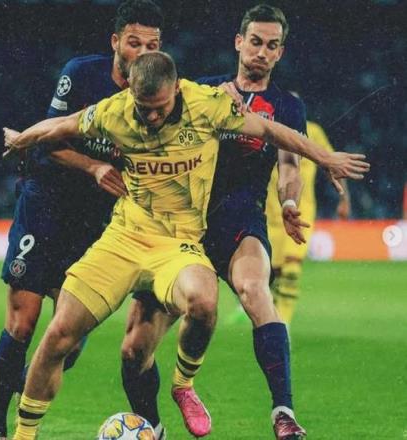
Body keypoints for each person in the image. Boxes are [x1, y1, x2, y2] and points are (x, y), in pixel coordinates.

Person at [3, 51, 369, 439]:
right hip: (123, 239)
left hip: (177, 244)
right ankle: (24, 434)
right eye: (144, 108)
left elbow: (270, 130)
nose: (152, 117)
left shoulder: (206, 104)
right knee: (60, 334)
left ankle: (183, 383)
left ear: (176, 89)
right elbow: (62, 125)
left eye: (160, 108)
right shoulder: (115, 111)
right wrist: (21, 138)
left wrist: (325, 158)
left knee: (204, 301)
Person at [118, 5, 334, 439]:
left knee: (256, 290)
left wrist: (290, 202)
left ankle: (284, 413)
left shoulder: (287, 106)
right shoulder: (202, 90)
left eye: (272, 45)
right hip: (183, 225)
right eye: (255, 42)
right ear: (239, 42)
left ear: (280, 52)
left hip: (240, 219)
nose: (262, 52)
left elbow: (289, 166)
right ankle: (153, 427)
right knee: (134, 348)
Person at [0, 2, 163, 438]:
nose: (142, 53)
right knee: (22, 323)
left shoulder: (159, 96)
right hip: (45, 205)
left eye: (152, 45)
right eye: (134, 43)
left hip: (96, 225)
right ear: (115, 42)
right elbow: (47, 142)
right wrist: (94, 167)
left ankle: (27, 383)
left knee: (69, 340)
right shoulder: (81, 74)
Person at [267, 117, 350, 325]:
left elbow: (332, 163)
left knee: (291, 269)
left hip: (301, 212)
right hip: (270, 213)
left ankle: (283, 323)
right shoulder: (268, 127)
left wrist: (344, 198)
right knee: (274, 273)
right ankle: (273, 316)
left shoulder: (313, 131)